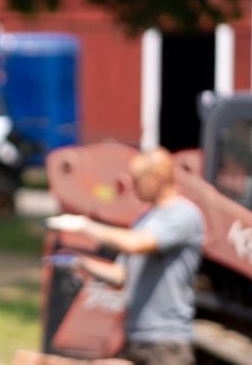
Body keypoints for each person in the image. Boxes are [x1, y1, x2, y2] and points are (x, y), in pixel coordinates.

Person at [46, 147, 204, 365]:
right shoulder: (145, 218)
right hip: (135, 335)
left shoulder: (183, 214)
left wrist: (84, 225)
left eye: (137, 179)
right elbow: (121, 275)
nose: (132, 185)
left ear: (157, 178)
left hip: (166, 340)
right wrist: (81, 262)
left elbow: (135, 244)